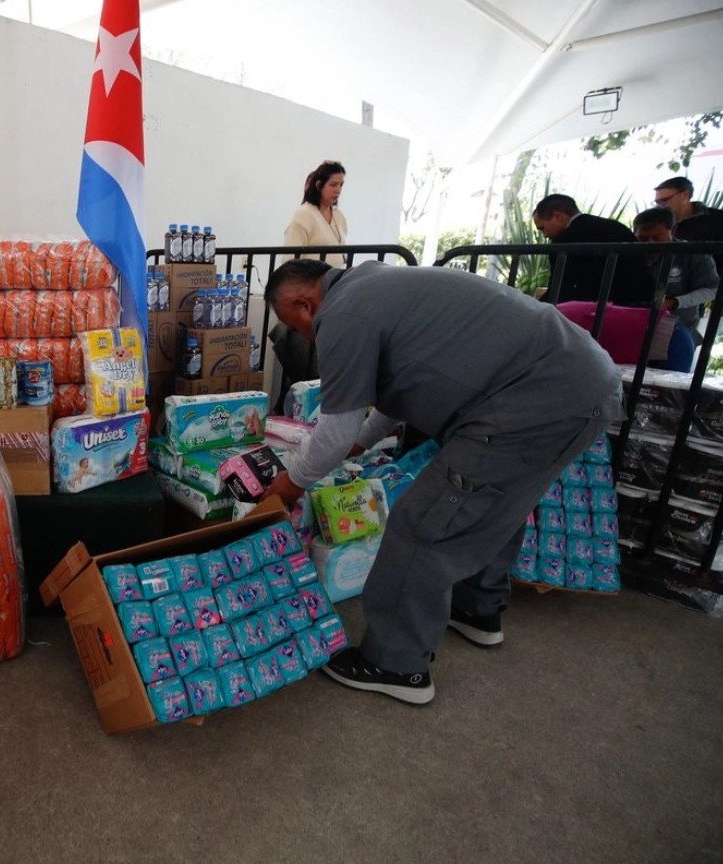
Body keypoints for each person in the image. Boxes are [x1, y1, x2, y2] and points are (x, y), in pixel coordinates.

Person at [261, 259, 622, 705]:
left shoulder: (343, 313)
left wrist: (292, 483)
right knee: (499, 502)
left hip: (529, 399)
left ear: (303, 302)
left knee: (423, 524)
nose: (296, 333)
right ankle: (477, 609)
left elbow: (335, 431)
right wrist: (361, 444)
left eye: (289, 322)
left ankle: (394, 663)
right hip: (583, 385)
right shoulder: (376, 284)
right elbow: (400, 392)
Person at [532, 194, 654, 306]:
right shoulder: (617, 227)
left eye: (542, 228)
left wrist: (536, 307)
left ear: (558, 217)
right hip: (639, 306)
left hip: (596, 312)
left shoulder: (563, 241)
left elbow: (560, 290)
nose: (545, 235)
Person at [633, 207, 719, 346]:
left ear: (673, 231)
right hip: (635, 327)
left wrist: (676, 302)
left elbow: (712, 289)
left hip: (678, 329)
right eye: (642, 239)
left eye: (656, 238)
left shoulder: (693, 254)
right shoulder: (628, 253)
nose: (650, 244)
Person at [656, 176, 723, 279]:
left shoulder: (718, 220)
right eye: (657, 202)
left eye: (664, 200)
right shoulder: (658, 225)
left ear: (685, 195)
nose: (660, 206)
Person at [284, 161, 349, 266]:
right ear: (319, 185)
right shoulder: (304, 215)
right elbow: (290, 260)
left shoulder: (339, 216)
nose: (338, 190)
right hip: (312, 280)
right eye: (333, 185)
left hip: (337, 278)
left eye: (341, 185)